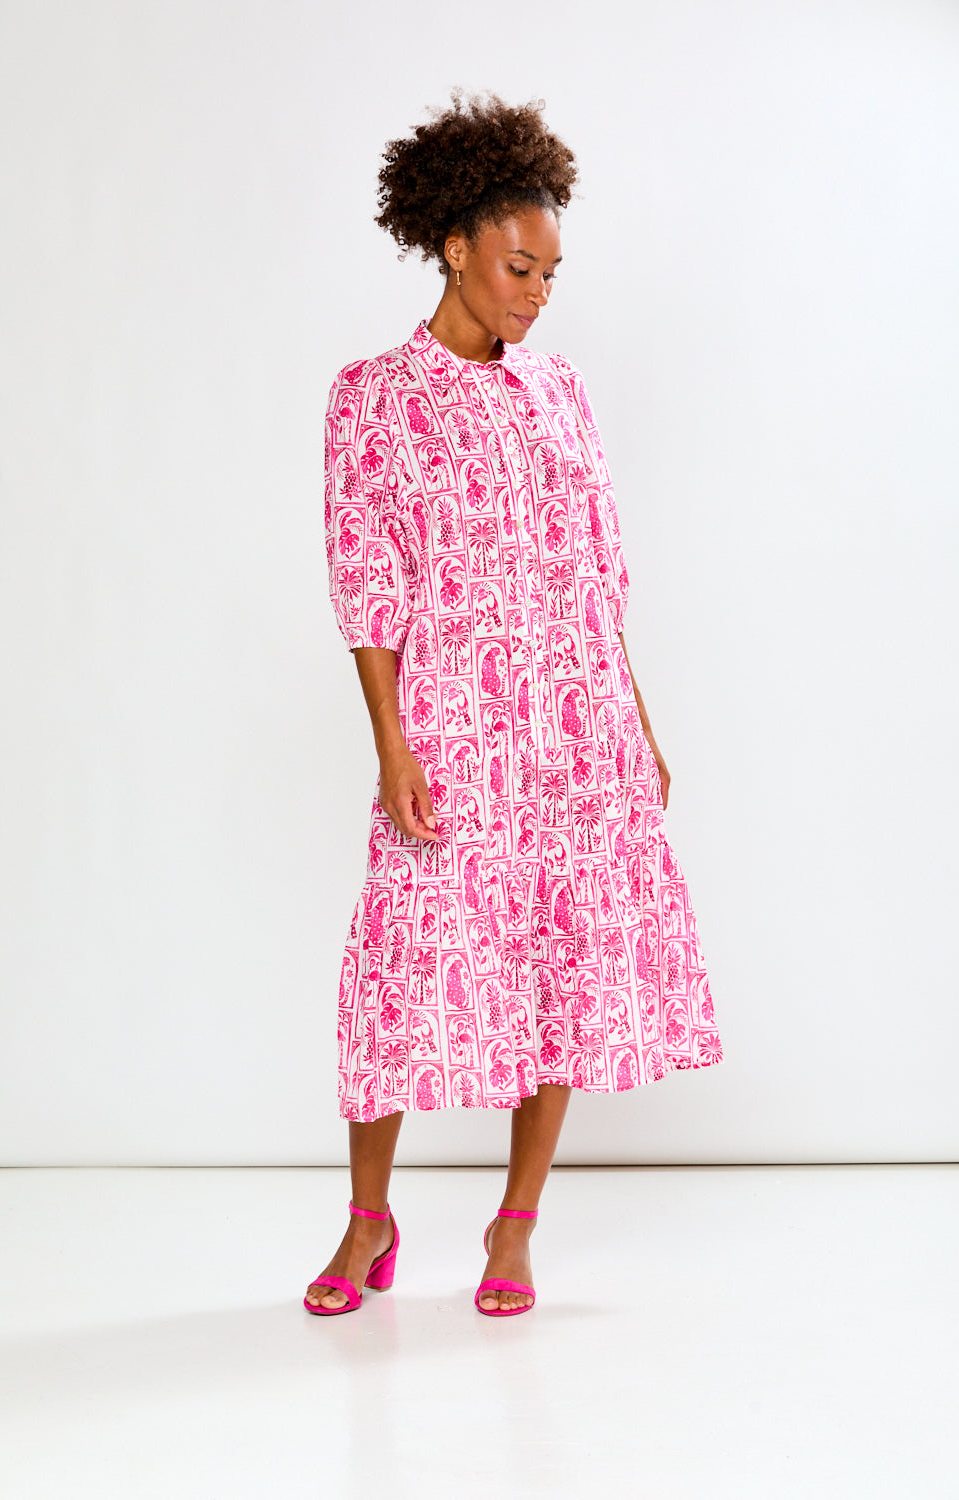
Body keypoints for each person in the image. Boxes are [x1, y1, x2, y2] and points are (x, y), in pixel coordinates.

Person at [306, 89, 724, 1318]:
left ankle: (513, 1222)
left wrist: (636, 724)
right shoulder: (370, 397)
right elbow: (367, 581)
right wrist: (391, 742)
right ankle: (368, 1222)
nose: (537, 292)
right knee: (398, 964)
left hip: (575, 721)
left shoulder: (562, 394)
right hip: (453, 726)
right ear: (452, 245)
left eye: (550, 272)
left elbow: (596, 574)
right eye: (516, 266)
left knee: (560, 965)